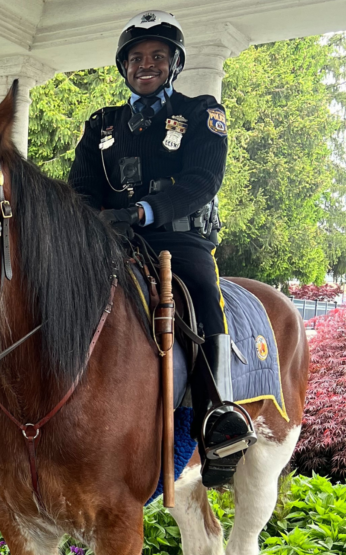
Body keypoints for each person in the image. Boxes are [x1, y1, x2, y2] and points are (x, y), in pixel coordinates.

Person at [68, 10, 255, 487]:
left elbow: (202, 181)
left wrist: (142, 212)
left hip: (178, 238)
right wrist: (92, 224)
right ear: (123, 67)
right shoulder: (102, 124)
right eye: (135, 58)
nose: (145, 65)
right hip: (111, 240)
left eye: (156, 57)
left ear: (174, 64)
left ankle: (219, 414)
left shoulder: (201, 112)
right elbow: (83, 187)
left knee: (203, 292)